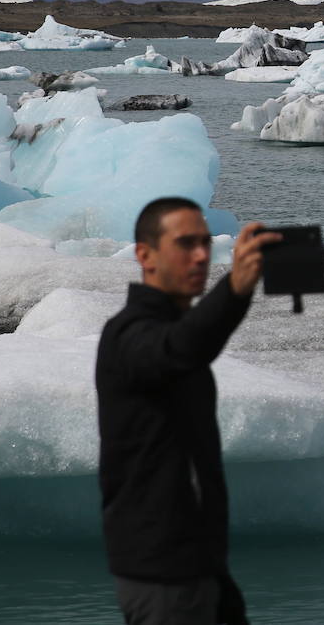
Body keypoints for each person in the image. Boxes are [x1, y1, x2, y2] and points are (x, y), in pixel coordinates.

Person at [95, 196, 280, 625]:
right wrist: (234, 289)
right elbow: (179, 349)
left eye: (204, 243)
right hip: (163, 575)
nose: (200, 255)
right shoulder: (128, 334)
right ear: (145, 255)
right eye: (184, 244)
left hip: (199, 566)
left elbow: (188, 343)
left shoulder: (172, 332)